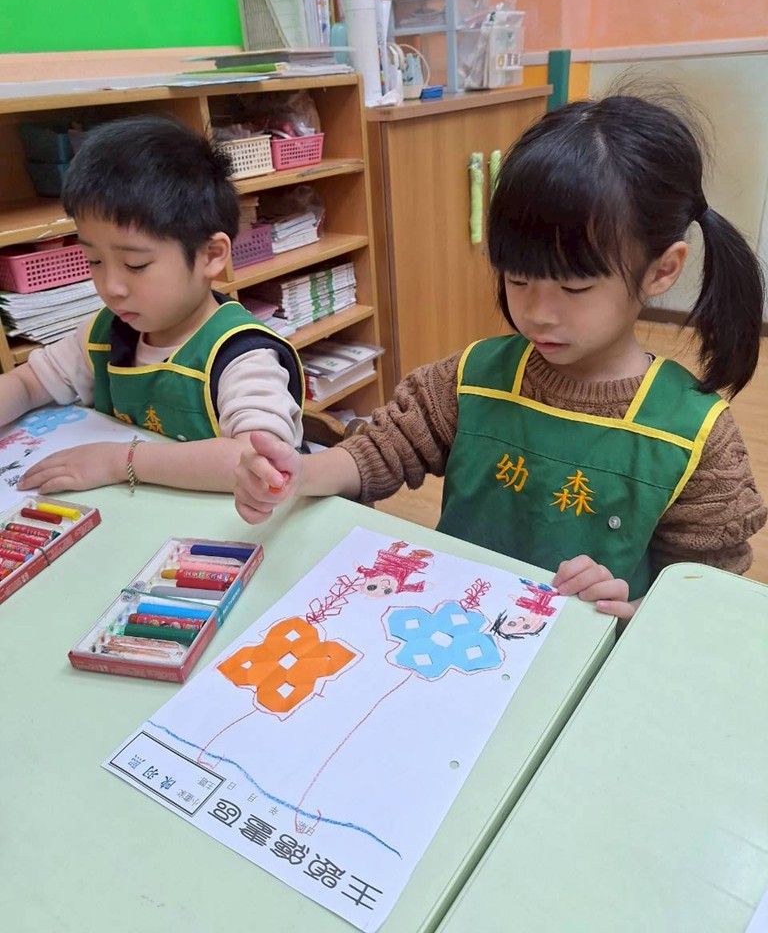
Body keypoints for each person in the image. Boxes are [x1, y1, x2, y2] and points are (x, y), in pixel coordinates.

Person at [233, 94, 767, 623]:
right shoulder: (472, 377)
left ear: (662, 270)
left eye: (574, 287)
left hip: (586, 656)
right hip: (447, 626)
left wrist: (630, 611)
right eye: (518, 279)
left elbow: (703, 591)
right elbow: (382, 450)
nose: (537, 313)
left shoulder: (695, 435)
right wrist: (301, 473)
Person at [0, 115, 304, 494]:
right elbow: (28, 383)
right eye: (94, 260)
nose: (111, 287)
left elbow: (260, 463)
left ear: (211, 255)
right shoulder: (105, 333)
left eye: (135, 265)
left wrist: (119, 461)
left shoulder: (242, 356)